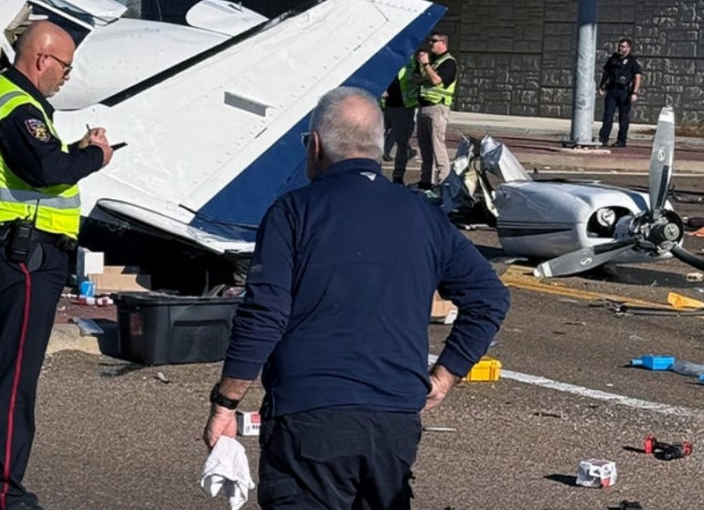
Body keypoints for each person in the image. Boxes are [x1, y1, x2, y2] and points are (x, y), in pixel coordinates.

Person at [203, 87, 509, 510]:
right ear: (379, 147)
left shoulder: (293, 211)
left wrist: (226, 401)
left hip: (310, 415)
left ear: (315, 145)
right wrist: (445, 374)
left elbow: (265, 313)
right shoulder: (423, 214)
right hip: (395, 421)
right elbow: (489, 298)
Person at [0, 20, 113, 510]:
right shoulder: (15, 106)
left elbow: (39, 161)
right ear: (42, 59)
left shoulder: (8, 104)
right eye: (64, 66)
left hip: (11, 248)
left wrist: (73, 150)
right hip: (23, 252)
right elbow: (46, 169)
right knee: (14, 377)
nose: (65, 76)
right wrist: (93, 156)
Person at [415, 34, 456, 189]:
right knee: (425, 147)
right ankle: (426, 181)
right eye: (430, 41)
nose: (430, 44)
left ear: (443, 43)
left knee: (438, 147)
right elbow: (418, 79)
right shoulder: (435, 61)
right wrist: (424, 66)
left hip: (437, 108)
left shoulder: (449, 62)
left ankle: (444, 182)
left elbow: (437, 80)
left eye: (434, 41)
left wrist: (426, 66)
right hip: (424, 107)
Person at [381, 55, 420, 186]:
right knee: (375, 141)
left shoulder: (412, 61)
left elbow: (421, 77)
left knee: (402, 143)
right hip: (385, 105)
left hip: (404, 105)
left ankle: (398, 176)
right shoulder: (388, 58)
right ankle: (375, 173)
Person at [598, 37, 643, 148]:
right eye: (619, 46)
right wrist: (601, 86)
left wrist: (635, 92)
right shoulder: (613, 59)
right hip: (612, 90)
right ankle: (603, 138)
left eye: (623, 46)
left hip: (624, 92)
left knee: (623, 117)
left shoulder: (632, 62)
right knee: (608, 115)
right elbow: (606, 73)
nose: (620, 48)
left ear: (628, 48)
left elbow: (638, 77)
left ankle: (621, 140)